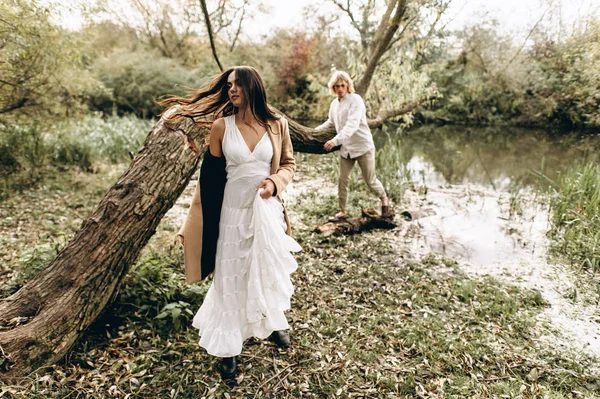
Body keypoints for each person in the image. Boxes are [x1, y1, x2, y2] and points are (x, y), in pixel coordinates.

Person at [160, 66, 301, 380]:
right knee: (230, 277)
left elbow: (289, 163)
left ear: (253, 87)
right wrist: (192, 224)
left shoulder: (277, 124)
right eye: (228, 86)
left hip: (266, 213)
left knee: (264, 270)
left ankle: (272, 322)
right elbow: (208, 182)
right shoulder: (221, 127)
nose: (231, 90)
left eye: (237, 85)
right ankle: (228, 350)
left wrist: (275, 182)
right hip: (231, 214)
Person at [316, 70, 390, 220]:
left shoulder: (356, 100)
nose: (340, 89)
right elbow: (330, 122)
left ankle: (384, 200)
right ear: (333, 88)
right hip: (346, 148)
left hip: (363, 146)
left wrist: (334, 141)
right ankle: (342, 211)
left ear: (348, 85)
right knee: (342, 180)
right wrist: (313, 132)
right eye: (336, 86)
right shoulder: (334, 104)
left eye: (342, 85)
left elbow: (352, 125)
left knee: (370, 181)